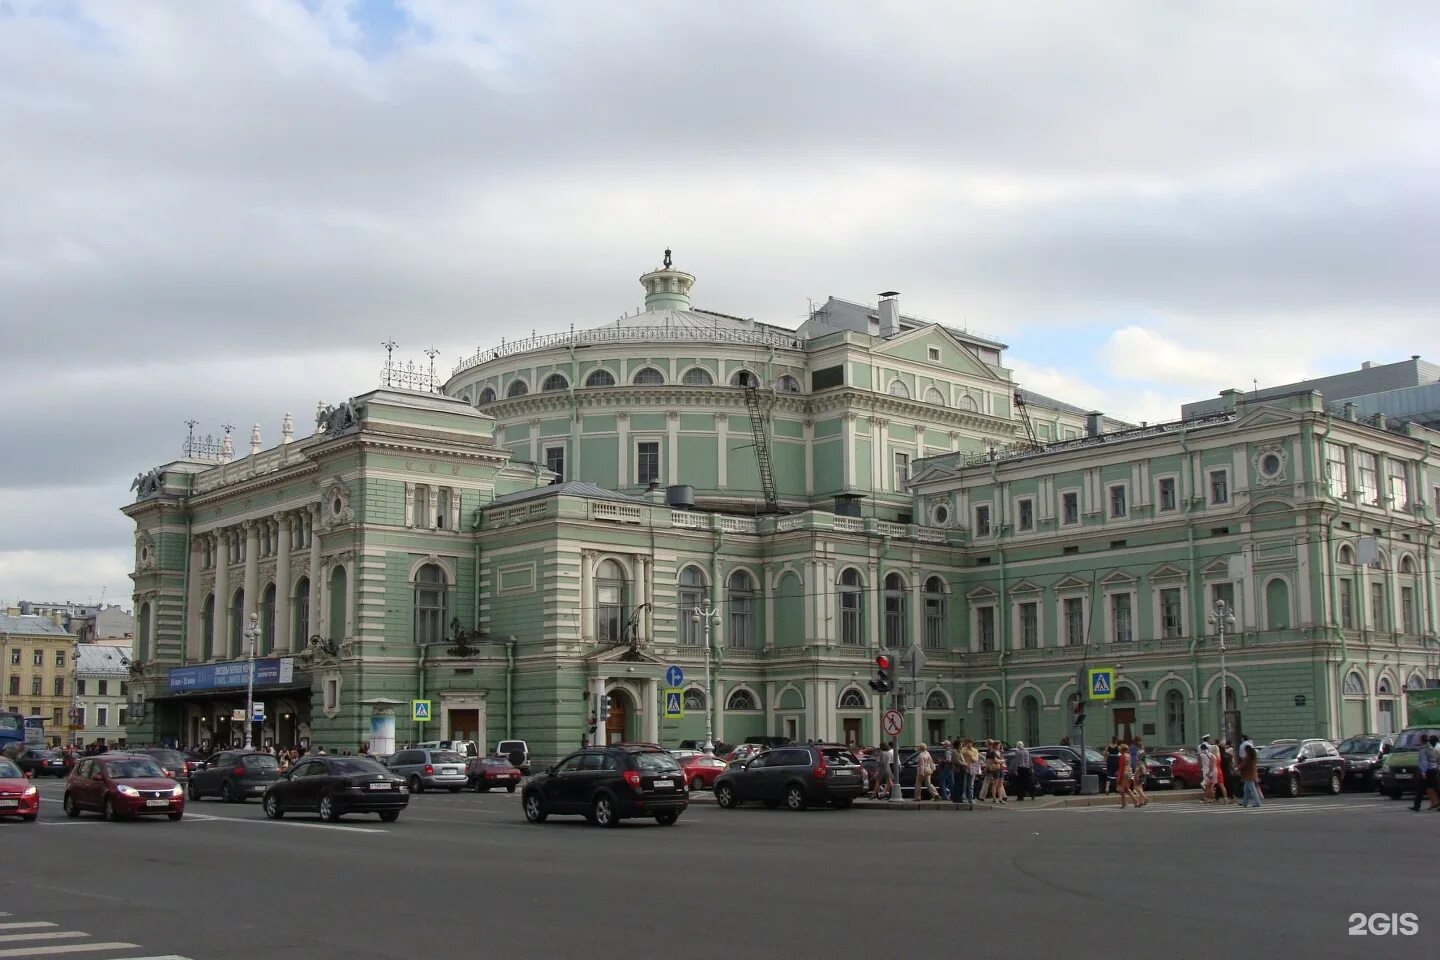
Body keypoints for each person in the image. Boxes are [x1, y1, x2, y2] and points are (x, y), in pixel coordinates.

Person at [1412, 734, 1439, 811]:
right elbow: (1434, 758)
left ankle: (1416, 806)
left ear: (1421, 740)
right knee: (1434, 787)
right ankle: (1416, 806)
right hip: (1433, 769)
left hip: (1427, 771)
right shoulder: (1430, 747)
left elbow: (1423, 762)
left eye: (1419, 740)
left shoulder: (1423, 749)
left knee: (1421, 788)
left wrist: (1423, 772)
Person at [959, 738, 980, 810]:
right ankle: (963, 798)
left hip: (973, 767)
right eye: (967, 743)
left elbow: (976, 760)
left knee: (971, 784)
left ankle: (970, 798)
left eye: (970, 743)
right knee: (964, 784)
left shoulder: (975, 750)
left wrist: (971, 756)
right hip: (965, 768)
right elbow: (961, 758)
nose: (969, 744)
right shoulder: (963, 750)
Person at [1239, 743, 1262, 808]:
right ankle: (1245, 802)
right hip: (1252, 774)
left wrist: (1237, 768)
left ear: (1246, 750)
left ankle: (1257, 802)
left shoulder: (1247, 757)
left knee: (1252, 790)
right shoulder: (1253, 757)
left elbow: (1243, 765)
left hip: (1248, 775)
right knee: (1246, 789)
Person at [1116, 739, 1134, 808]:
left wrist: (1119, 777)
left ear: (1121, 750)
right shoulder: (1129, 755)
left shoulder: (1122, 756)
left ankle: (1124, 803)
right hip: (1129, 772)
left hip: (1124, 773)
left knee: (1121, 789)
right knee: (1126, 788)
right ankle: (1135, 801)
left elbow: (1121, 767)